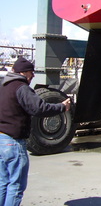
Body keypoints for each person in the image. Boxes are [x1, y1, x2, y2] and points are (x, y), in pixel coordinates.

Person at [0, 56, 70, 206]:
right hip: (13, 142)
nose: (32, 77)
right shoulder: (21, 87)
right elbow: (39, 108)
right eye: (31, 73)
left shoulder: (4, 87)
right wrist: (62, 107)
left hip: (1, 140)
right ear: (25, 73)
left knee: (4, 183)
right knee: (16, 186)